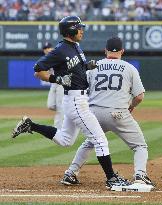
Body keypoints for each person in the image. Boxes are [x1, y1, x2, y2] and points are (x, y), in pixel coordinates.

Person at [11, 16, 132, 190]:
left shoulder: (75, 47)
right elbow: (37, 70)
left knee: (66, 140)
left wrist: (86, 67)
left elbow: (76, 68)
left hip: (78, 99)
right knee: (100, 139)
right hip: (76, 100)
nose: (82, 30)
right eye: (79, 27)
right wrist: (56, 78)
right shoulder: (60, 50)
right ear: (71, 30)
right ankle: (111, 178)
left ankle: (31, 125)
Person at [60, 37, 155, 188]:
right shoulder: (129, 68)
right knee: (139, 146)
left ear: (105, 51)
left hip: (94, 112)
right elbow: (139, 96)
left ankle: (70, 173)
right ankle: (140, 175)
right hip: (118, 114)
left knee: (90, 142)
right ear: (122, 51)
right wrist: (131, 106)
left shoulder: (93, 67)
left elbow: (83, 91)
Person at [42, 42, 64, 129]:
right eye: (45, 48)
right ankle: (67, 111)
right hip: (54, 84)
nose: (47, 49)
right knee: (50, 105)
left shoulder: (56, 55)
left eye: (49, 48)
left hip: (61, 83)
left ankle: (57, 129)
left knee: (60, 108)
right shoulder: (46, 58)